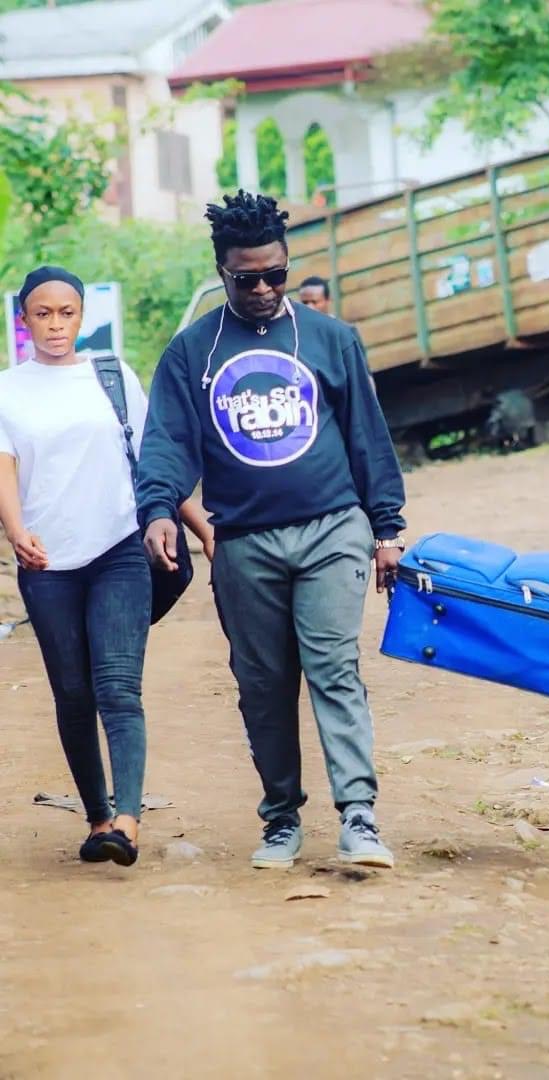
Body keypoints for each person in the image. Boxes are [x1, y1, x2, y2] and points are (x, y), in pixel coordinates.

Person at [136, 190, 407, 871]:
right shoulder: (192, 353)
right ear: (221, 272)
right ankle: (282, 817)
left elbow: (369, 439)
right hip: (244, 542)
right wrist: (159, 509)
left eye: (275, 275)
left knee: (333, 667)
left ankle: (359, 815)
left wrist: (386, 529)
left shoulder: (332, 339)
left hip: (331, 530)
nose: (262, 289)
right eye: (245, 279)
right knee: (262, 684)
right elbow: (168, 442)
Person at [0, 266, 213, 867]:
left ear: (81, 316)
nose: (56, 324)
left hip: (120, 550)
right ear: (24, 319)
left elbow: (153, 462)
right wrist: (16, 532)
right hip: (47, 563)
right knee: (73, 694)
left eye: (67, 313)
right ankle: (97, 818)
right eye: (43, 314)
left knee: (118, 687)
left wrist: (202, 528)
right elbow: (4, 470)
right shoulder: (7, 390)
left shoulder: (112, 375)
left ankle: (128, 821)